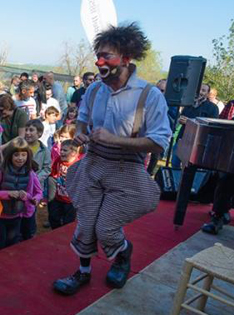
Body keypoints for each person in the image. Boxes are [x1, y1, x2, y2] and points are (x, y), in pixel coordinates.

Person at [53, 23, 171, 295]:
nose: (100, 62)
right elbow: (81, 122)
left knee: (106, 229)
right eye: (99, 56)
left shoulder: (149, 95)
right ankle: (82, 274)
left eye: (107, 56)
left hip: (127, 169)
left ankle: (123, 256)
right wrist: (81, 134)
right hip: (93, 164)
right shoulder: (94, 90)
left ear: (126, 58)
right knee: (85, 225)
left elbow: (159, 142)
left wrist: (115, 140)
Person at [0, 137, 42, 250]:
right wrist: (8, 193)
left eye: (23, 155)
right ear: (10, 155)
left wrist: (31, 198)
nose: (20, 158)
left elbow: (36, 193)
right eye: (16, 155)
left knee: (12, 243)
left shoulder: (30, 173)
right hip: (0, 216)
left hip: (17, 215)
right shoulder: (1, 171)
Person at [47, 140, 82, 229]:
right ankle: (55, 233)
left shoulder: (79, 164)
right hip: (58, 196)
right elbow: (53, 174)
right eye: (61, 150)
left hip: (71, 201)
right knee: (53, 217)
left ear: (74, 153)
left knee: (68, 222)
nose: (61, 152)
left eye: (65, 150)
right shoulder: (59, 160)